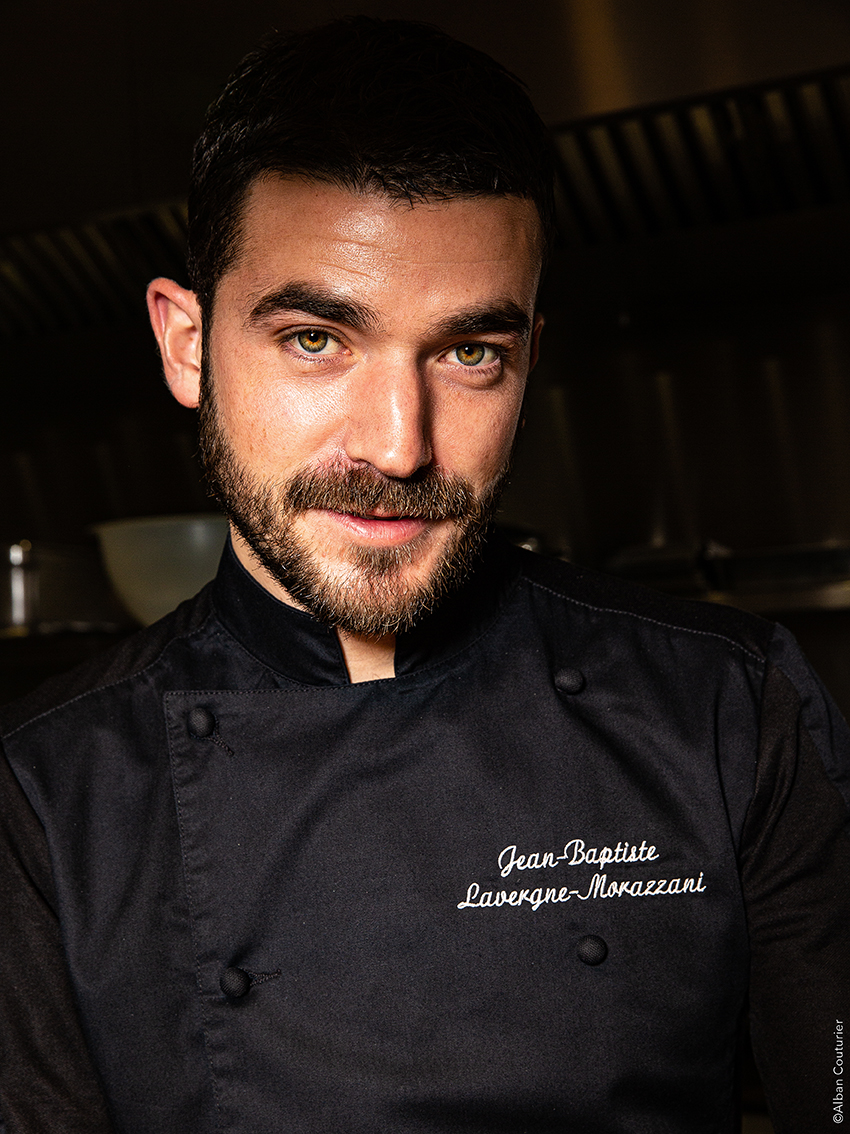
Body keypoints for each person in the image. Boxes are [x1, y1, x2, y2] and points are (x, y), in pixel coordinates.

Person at [1, 16, 848, 1134]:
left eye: (467, 354)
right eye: (316, 338)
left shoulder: (730, 707)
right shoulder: (48, 792)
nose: (399, 446)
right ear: (187, 345)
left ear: (528, 359)